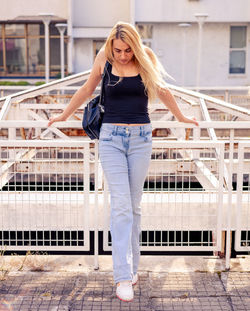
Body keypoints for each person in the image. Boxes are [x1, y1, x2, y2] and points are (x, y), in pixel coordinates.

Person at [48, 21, 199, 302]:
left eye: (128, 50)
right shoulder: (104, 58)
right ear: (111, 46)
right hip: (111, 139)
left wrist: (182, 118)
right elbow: (86, 89)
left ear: (136, 47)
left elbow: (163, 90)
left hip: (141, 138)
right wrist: (63, 115)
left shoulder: (146, 59)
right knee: (120, 206)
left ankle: (132, 269)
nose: (123, 55)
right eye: (118, 50)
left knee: (133, 206)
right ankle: (121, 277)